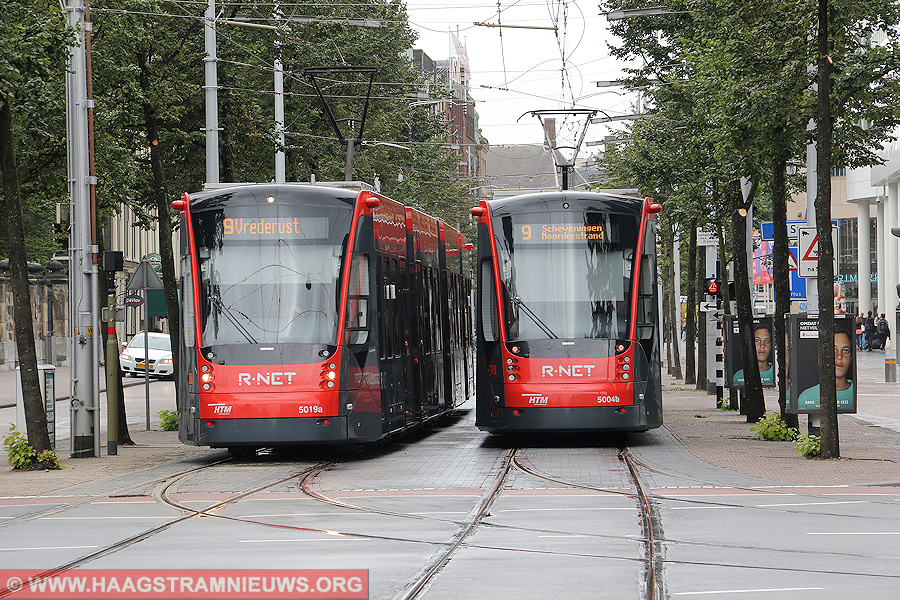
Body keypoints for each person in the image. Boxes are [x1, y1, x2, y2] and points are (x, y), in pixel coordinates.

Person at [797, 330, 854, 410]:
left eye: (845, 351)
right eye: (833, 349)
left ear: (851, 358)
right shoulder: (806, 397)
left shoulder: (857, 394)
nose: (839, 356)